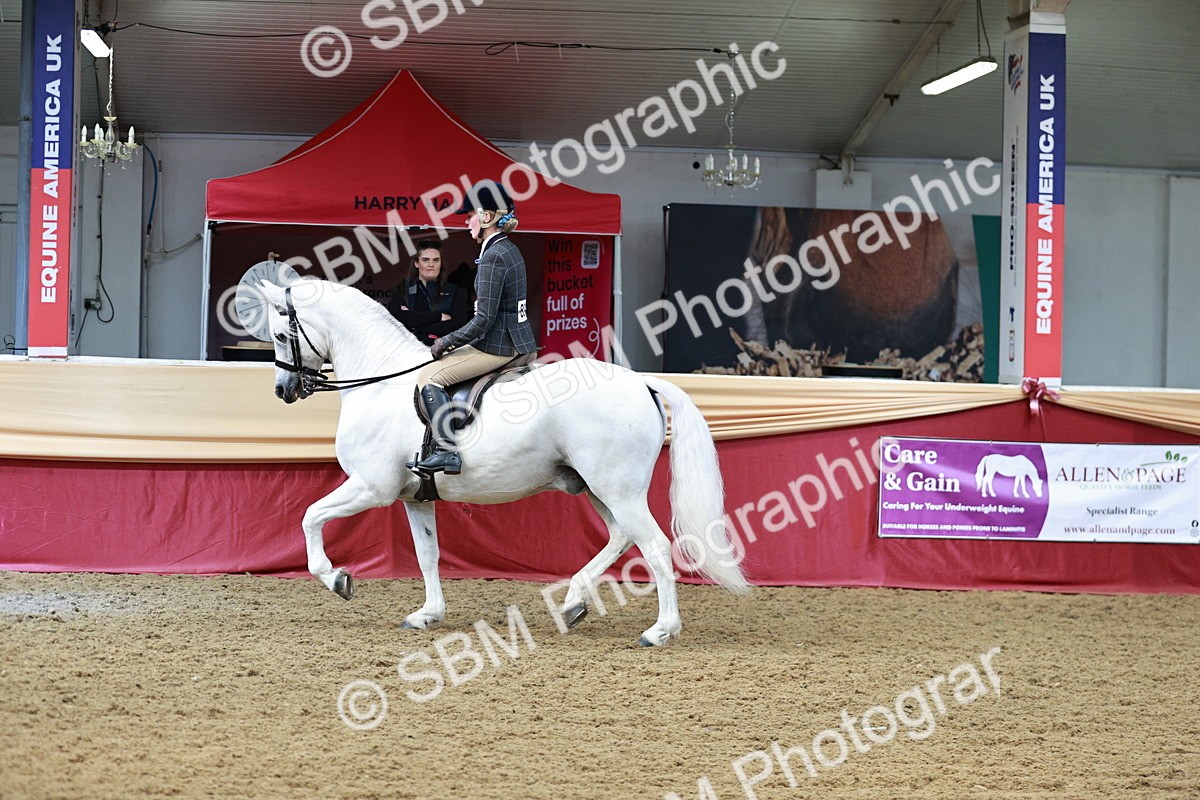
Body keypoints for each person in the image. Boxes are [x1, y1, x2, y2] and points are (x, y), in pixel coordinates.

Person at [407, 180, 537, 476]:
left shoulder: (493, 256)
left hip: (499, 346)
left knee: (430, 378)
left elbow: (483, 321)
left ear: (487, 217)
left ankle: (446, 451)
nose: (467, 222)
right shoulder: (507, 249)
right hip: (516, 338)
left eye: (471, 216)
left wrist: (445, 342)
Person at [387, 241, 471, 347]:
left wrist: (414, 324)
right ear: (416, 263)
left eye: (436, 260)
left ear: (441, 263)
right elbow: (398, 319)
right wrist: (438, 316)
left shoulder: (453, 291)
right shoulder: (402, 289)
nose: (431, 265)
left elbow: (459, 325)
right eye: (425, 260)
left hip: (445, 353)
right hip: (408, 351)